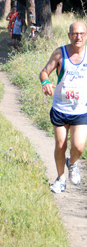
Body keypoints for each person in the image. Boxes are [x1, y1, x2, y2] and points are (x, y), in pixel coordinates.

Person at [40, 21, 87, 194]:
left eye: (82, 33)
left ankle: (72, 163)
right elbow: (44, 72)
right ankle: (60, 179)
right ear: (69, 35)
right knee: (60, 145)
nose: (78, 37)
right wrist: (45, 82)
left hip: (81, 110)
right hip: (60, 108)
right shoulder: (60, 53)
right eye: (75, 33)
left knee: (79, 146)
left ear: (86, 36)